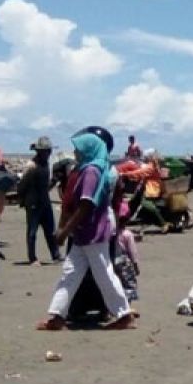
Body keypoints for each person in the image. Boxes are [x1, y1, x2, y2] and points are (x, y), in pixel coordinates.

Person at [36, 130, 134, 331]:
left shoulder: (91, 171)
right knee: (70, 273)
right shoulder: (88, 169)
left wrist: (64, 231)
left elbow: (86, 205)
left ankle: (123, 313)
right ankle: (57, 314)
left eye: (78, 149)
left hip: (93, 232)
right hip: (84, 233)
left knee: (103, 272)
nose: (75, 152)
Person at [18, 135, 62, 265]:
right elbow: (22, 185)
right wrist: (23, 201)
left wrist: (54, 181)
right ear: (39, 151)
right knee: (32, 231)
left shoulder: (47, 164)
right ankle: (32, 258)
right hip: (33, 202)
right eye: (46, 151)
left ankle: (55, 255)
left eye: (49, 151)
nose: (48, 153)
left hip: (44, 201)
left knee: (50, 231)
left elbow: (45, 187)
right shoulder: (31, 166)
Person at [120, 149, 170, 232]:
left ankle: (163, 223)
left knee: (145, 203)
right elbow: (140, 173)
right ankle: (123, 222)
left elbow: (140, 172)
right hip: (145, 187)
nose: (144, 158)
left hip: (152, 189)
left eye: (146, 157)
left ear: (149, 157)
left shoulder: (152, 166)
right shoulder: (152, 164)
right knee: (133, 203)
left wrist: (124, 174)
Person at [114, 200, 141, 314]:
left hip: (113, 261)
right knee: (128, 284)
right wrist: (136, 266)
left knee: (115, 284)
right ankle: (127, 307)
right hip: (125, 263)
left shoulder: (112, 233)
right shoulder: (127, 234)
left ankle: (114, 307)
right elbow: (132, 252)